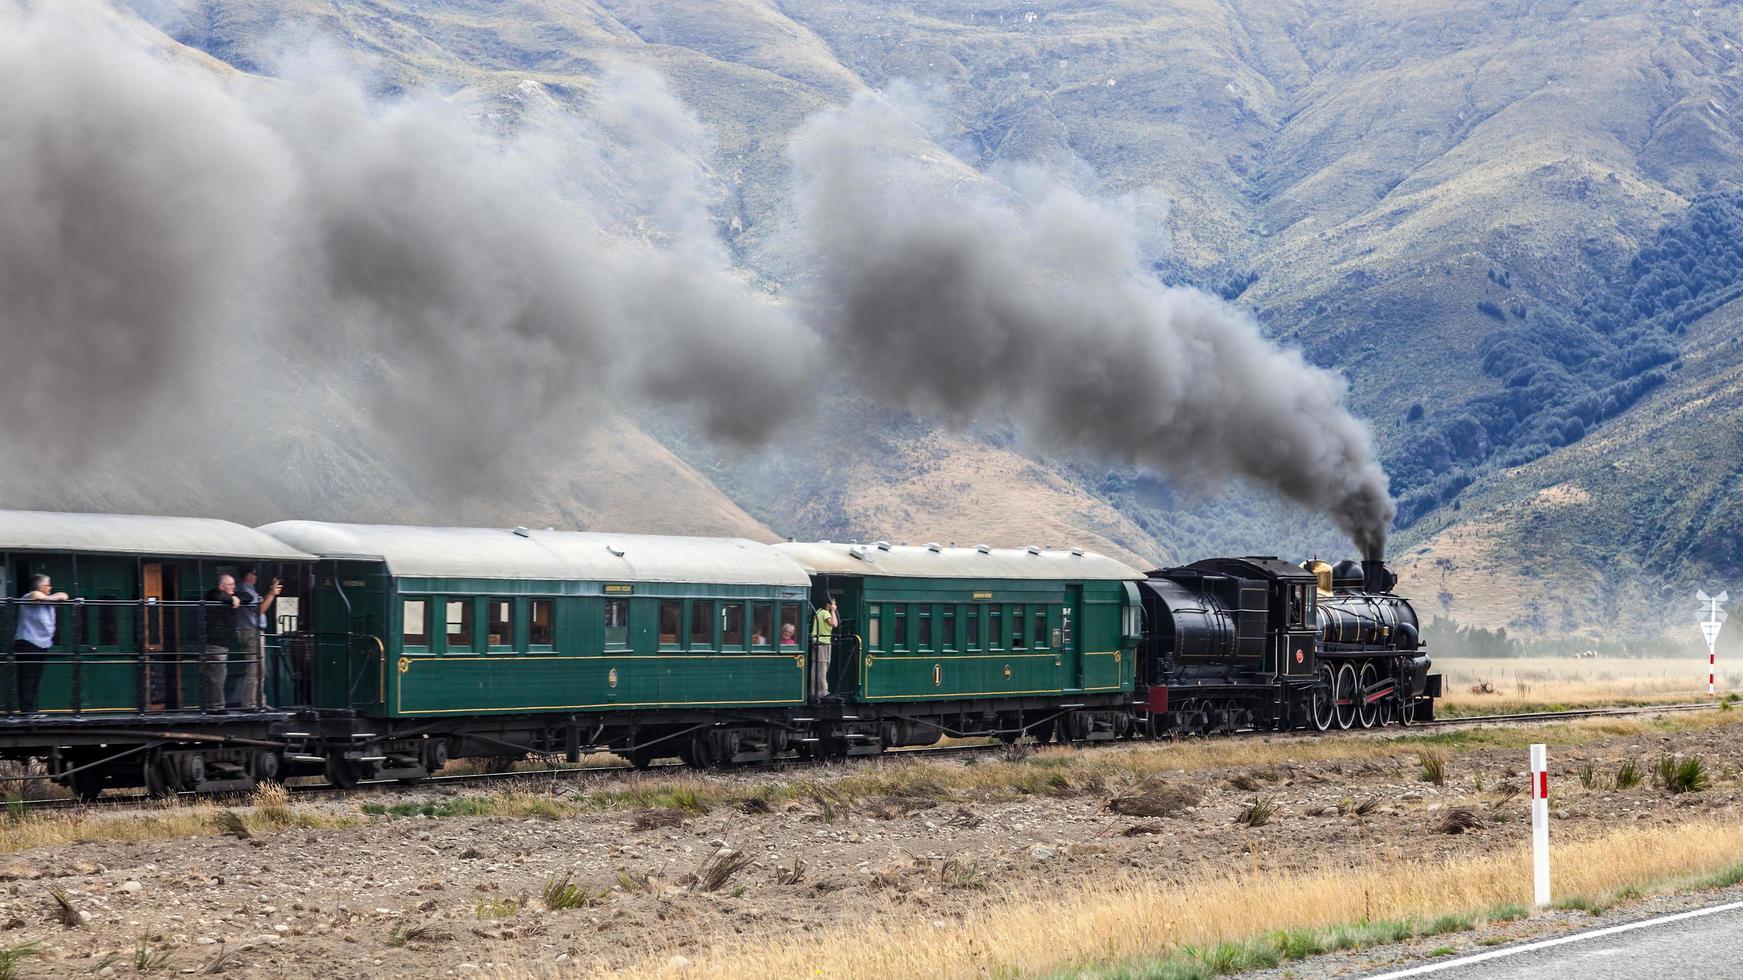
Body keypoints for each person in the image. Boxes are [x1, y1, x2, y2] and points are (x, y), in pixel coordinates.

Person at [11, 574, 68, 716]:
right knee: (27, 677)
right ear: (41, 586)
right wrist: (52, 599)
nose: (51, 588)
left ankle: (32, 710)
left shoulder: (49, 598)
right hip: (28, 642)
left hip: (42, 644)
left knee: (35, 677)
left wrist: (51, 598)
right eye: (48, 585)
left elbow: (64, 595)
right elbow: (36, 595)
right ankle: (28, 711)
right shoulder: (28, 596)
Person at [232, 567, 279, 710]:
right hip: (251, 631)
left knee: (260, 669)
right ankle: (250, 703)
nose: (256, 576)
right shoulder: (244, 590)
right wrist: (271, 593)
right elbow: (259, 610)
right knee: (254, 669)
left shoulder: (249, 590)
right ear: (247, 575)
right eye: (254, 573)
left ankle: (258, 702)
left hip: (253, 631)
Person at [202, 574, 243, 712]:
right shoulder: (213, 595)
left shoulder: (233, 595)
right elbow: (217, 597)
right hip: (214, 643)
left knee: (217, 675)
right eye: (230, 584)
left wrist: (234, 598)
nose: (233, 587)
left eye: (233, 584)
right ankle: (216, 707)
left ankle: (212, 705)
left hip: (223, 643)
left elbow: (248, 597)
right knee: (217, 676)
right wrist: (232, 599)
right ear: (221, 586)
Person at [811, 597, 839, 700]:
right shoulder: (826, 613)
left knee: (816, 667)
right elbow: (834, 623)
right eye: (834, 602)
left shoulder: (818, 611)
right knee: (823, 667)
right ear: (829, 603)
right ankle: (822, 692)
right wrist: (833, 610)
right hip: (823, 642)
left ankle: (814, 691)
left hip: (816, 640)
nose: (835, 604)